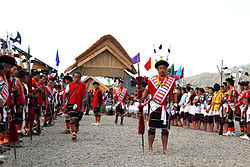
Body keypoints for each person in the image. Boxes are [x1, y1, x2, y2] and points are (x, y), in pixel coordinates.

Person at [140, 60, 175, 155]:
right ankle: (150, 148)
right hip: (154, 107)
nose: (162, 70)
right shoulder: (152, 80)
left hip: (165, 107)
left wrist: (174, 104)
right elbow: (147, 90)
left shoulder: (171, 81)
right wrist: (142, 98)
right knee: (151, 128)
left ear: (166, 69)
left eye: (163, 68)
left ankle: (164, 149)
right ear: (157, 70)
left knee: (165, 129)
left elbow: (173, 93)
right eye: (160, 68)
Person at [63, 72, 86, 141]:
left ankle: (75, 129)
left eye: (78, 77)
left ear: (80, 78)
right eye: (75, 77)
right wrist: (64, 104)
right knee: (72, 118)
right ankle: (73, 133)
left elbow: (85, 95)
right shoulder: (69, 85)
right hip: (71, 104)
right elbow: (64, 94)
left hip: (79, 104)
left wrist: (85, 99)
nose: (76, 79)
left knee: (77, 120)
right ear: (73, 78)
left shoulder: (83, 86)